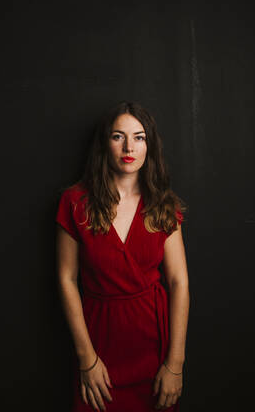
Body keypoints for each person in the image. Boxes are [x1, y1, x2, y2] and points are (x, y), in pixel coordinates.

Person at [55, 101, 190, 411]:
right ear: (105, 142)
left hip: (154, 349)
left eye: (139, 137)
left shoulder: (162, 205)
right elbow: (66, 279)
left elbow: (179, 281)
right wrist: (86, 359)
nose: (129, 146)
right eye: (118, 136)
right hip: (98, 342)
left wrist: (175, 363)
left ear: (149, 145)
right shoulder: (75, 201)